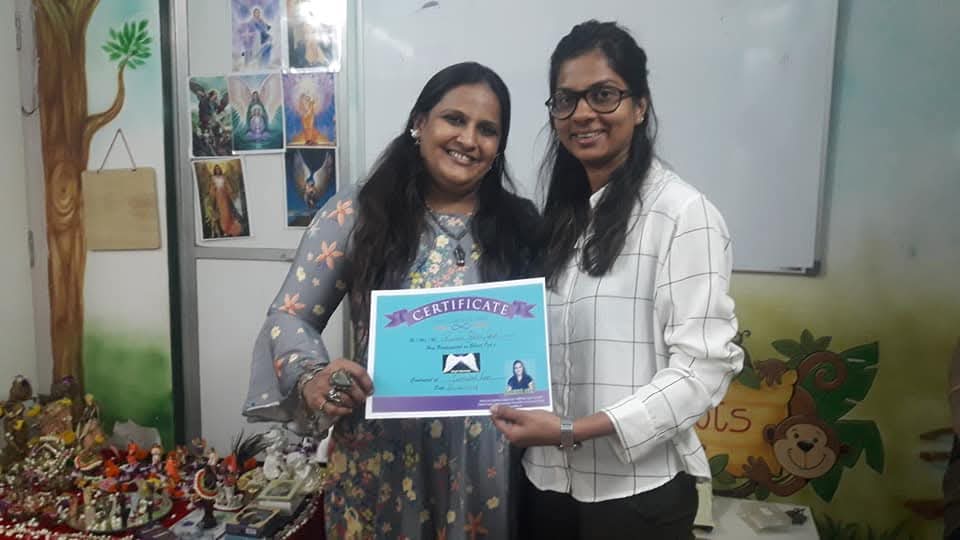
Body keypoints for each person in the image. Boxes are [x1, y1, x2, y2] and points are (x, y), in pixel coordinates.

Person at [243, 61, 540, 539]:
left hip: (487, 464)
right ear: (419, 123)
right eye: (454, 119)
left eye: (487, 129)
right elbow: (289, 315)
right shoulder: (358, 214)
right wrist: (311, 374)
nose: (468, 139)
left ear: (499, 146)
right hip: (382, 458)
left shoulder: (522, 226)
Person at [489, 21, 744, 539]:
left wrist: (573, 430)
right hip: (545, 485)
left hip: (635, 497)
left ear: (640, 106)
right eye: (566, 100)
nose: (583, 113)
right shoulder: (561, 221)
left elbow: (702, 369)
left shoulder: (682, 214)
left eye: (603, 95)